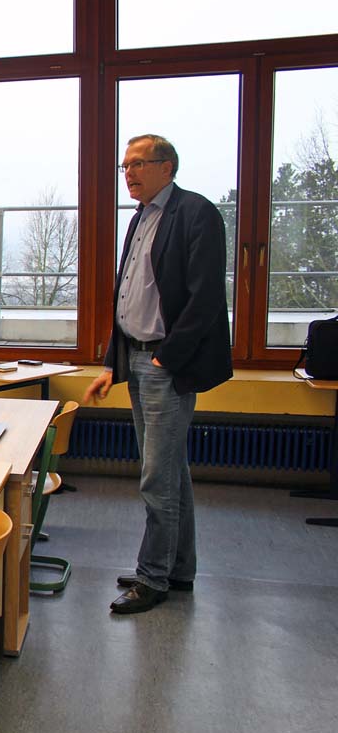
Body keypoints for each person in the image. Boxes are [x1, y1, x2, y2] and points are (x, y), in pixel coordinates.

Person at [84, 134, 232, 615]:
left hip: (166, 365)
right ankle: (178, 569)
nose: (128, 173)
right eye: (124, 165)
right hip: (138, 359)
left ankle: (152, 577)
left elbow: (205, 298)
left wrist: (167, 359)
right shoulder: (140, 218)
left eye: (138, 164)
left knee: (156, 479)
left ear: (167, 167)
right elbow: (128, 298)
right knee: (171, 474)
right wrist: (113, 363)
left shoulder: (195, 213)